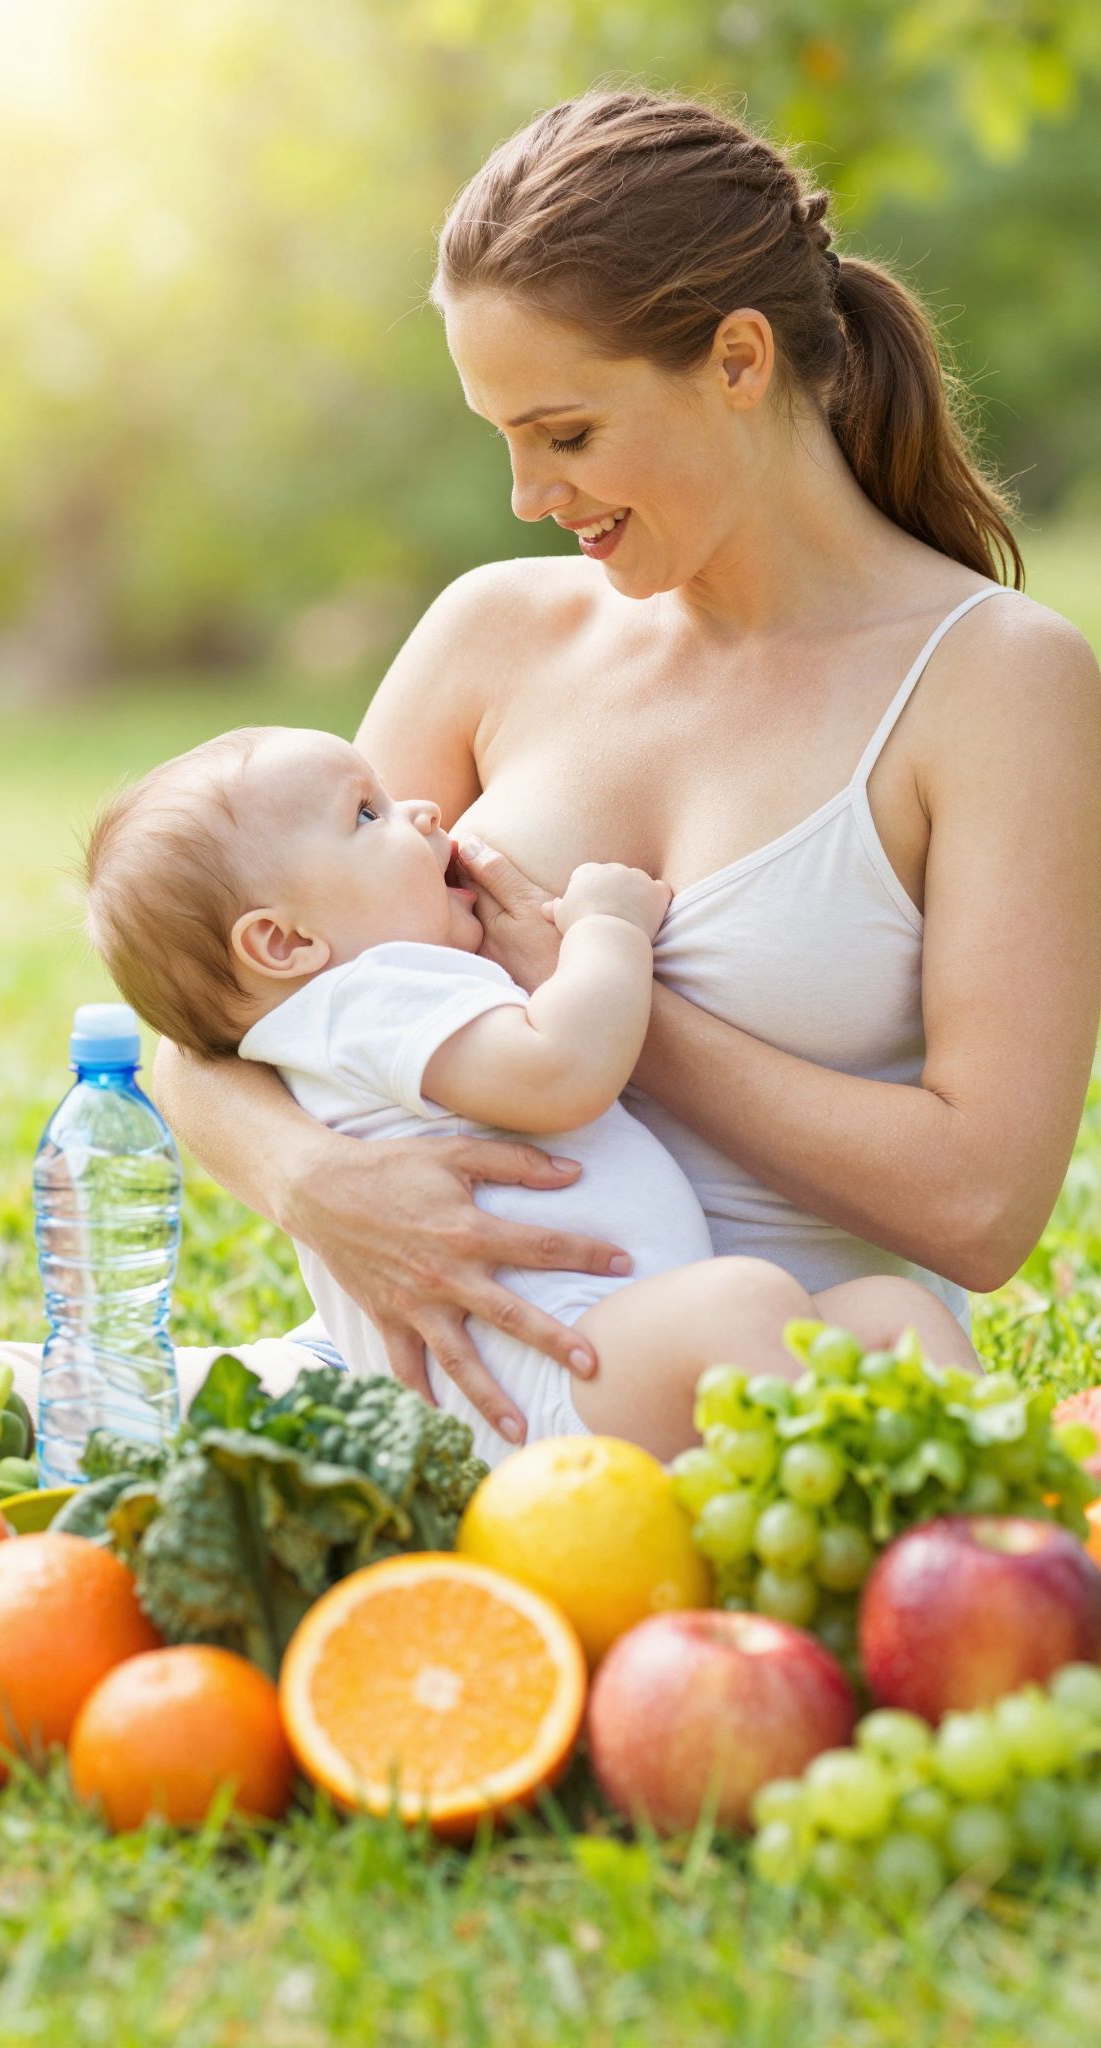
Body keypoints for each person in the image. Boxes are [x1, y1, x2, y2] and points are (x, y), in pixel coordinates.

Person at [147, 88, 1101, 1456]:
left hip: (769, 1425)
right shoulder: (494, 629)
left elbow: (981, 1208)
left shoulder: (999, 680)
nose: (529, 496)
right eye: (504, 439)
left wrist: (598, 995)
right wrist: (316, 1187)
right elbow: (200, 1021)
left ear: (738, 360)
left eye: (569, 435)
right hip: (435, 1402)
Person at [74, 723, 977, 1466]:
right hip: (547, 1392)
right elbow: (563, 1072)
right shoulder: (368, 999)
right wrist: (607, 933)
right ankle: (874, 1539)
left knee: (893, 1315)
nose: (423, 810)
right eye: (366, 813)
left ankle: (965, 1509)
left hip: (591, 1361)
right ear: (283, 943)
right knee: (743, 1304)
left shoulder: (358, 1004)